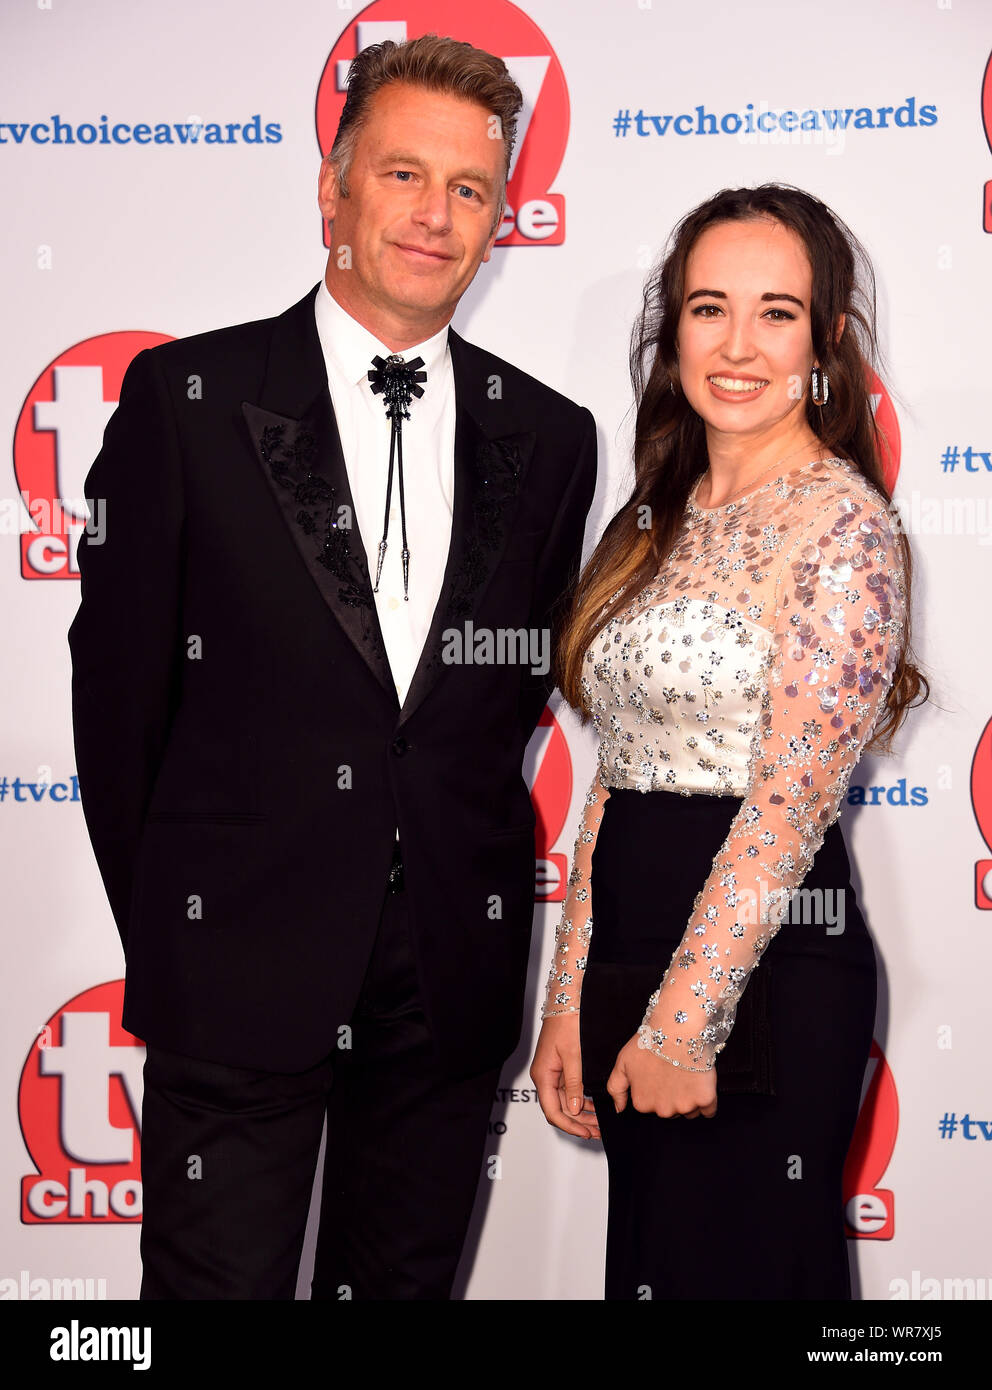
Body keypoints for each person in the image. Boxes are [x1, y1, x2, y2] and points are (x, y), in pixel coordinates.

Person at [68, 34, 597, 1300]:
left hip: (449, 974)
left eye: (469, 189)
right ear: (330, 188)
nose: (435, 214)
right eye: (403, 175)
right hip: (235, 962)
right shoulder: (185, 398)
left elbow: (502, 701)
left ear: (500, 217)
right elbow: (119, 701)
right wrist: (181, 936)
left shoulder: (553, 434)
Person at [531, 184, 926, 1300]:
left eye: (775, 312)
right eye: (708, 309)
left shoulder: (843, 525)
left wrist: (681, 1023)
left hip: (764, 973)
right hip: (632, 957)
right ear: (672, 331)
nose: (737, 345)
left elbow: (789, 804)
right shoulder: (656, 513)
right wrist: (571, 999)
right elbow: (612, 774)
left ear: (827, 339)